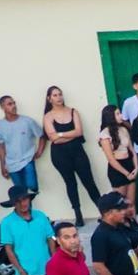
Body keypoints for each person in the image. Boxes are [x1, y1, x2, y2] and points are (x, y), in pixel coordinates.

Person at [39, 86, 98, 224]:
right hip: (59, 154)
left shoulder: (73, 111)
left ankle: (103, 210)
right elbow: (53, 138)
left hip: (77, 151)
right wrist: (69, 135)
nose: (59, 97)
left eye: (60, 94)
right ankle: (78, 214)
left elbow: (79, 132)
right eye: (55, 95)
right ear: (49, 98)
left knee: (88, 181)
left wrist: (60, 134)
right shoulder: (48, 116)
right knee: (70, 182)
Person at [0, 186, 56, 275]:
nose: (23, 203)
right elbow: (9, 249)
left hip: (46, 269)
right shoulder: (7, 223)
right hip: (25, 273)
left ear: (29, 200)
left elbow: (50, 238)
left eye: (25, 199)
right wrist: (19, 269)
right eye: (18, 201)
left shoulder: (40, 216)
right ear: (13, 204)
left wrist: (53, 259)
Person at [0, 94, 46, 199]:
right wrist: (2, 165)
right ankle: (27, 208)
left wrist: (39, 151)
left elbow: (42, 136)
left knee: (32, 186)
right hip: (11, 163)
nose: (13, 106)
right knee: (21, 194)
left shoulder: (27, 121)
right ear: (2, 107)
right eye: (9, 104)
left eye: (14, 103)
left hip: (27, 159)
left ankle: (31, 198)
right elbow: (1, 146)